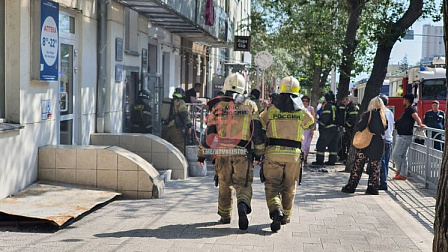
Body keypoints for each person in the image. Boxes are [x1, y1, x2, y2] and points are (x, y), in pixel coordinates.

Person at [197, 73, 264, 231]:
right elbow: (256, 132)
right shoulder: (250, 105)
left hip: (222, 152)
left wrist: (202, 154)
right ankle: (242, 205)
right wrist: (259, 154)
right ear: (243, 88)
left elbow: (209, 134)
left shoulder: (218, 107)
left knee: (224, 184)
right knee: (243, 184)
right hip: (242, 152)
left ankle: (225, 216)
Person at [260, 76, 314, 232]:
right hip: (294, 155)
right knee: (289, 186)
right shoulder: (301, 111)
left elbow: (261, 123)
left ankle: (275, 209)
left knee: (272, 185)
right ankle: (286, 216)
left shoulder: (271, 109)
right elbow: (310, 124)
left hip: (273, 153)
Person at [341, 96, 388, 195]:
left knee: (358, 165)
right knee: (375, 167)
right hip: (379, 144)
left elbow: (360, 126)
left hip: (366, 143)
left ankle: (351, 186)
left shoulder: (368, 114)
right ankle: (373, 188)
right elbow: (385, 128)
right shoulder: (383, 116)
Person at [392, 93, 426, 180]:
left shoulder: (411, 109)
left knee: (395, 155)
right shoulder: (407, 109)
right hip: (403, 136)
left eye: (403, 100)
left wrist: (420, 123)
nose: (403, 101)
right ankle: (402, 174)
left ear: (407, 100)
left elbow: (416, 116)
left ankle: (400, 171)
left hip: (404, 137)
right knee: (403, 156)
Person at [161, 88, 192, 155]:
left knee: (165, 147)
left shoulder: (169, 102)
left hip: (165, 127)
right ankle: (179, 164)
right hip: (175, 128)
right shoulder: (180, 102)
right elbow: (184, 114)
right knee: (179, 147)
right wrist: (189, 125)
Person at [312, 91, 338, 165]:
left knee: (321, 145)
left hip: (327, 128)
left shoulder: (328, 106)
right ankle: (332, 161)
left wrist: (321, 126)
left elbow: (325, 118)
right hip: (335, 129)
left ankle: (319, 161)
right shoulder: (336, 105)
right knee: (333, 145)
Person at [379, 94, 394, 190]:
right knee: (386, 162)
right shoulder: (390, 112)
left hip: (383, 140)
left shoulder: (382, 113)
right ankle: (384, 181)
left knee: (382, 162)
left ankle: (383, 183)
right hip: (389, 139)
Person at [338, 97, 359, 162]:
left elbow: (353, 119)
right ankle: (343, 156)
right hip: (349, 129)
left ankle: (347, 158)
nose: (344, 104)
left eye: (344, 102)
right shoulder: (348, 107)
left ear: (348, 100)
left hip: (351, 129)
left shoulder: (352, 108)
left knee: (348, 143)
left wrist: (346, 125)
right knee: (344, 142)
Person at [300, 95, 315, 165]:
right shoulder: (299, 108)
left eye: (306, 101)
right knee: (301, 144)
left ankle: (306, 157)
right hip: (301, 129)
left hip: (308, 129)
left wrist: (312, 129)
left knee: (307, 144)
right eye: (303, 100)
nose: (305, 102)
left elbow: (313, 119)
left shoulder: (311, 108)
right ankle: (301, 157)